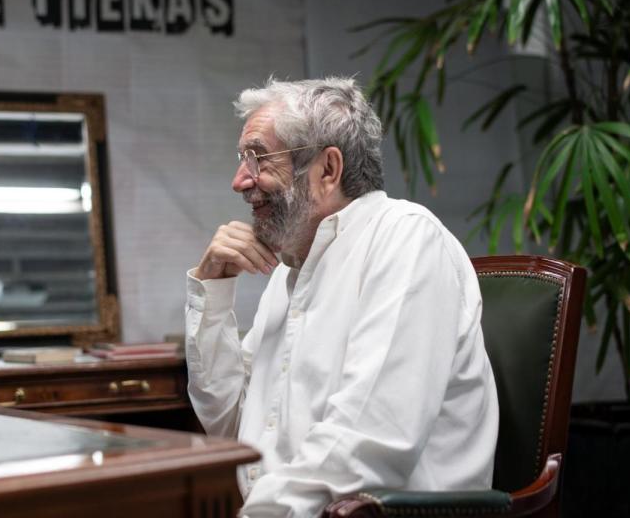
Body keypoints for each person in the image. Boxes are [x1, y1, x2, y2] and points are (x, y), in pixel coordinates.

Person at [185, 77, 499, 517]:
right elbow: (229, 423)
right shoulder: (292, 268)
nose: (240, 180)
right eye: (242, 159)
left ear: (327, 170)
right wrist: (213, 290)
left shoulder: (406, 239)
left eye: (258, 157)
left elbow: (372, 440)